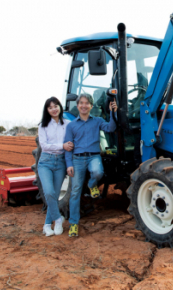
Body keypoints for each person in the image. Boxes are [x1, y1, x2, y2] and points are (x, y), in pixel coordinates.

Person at [64, 93, 117, 237]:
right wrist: (69, 164)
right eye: (81, 103)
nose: (84, 105)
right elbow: (68, 147)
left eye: (87, 103)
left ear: (91, 106)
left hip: (93, 156)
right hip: (77, 158)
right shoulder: (71, 125)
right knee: (75, 192)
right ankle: (74, 224)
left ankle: (92, 184)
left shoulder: (98, 121)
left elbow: (111, 128)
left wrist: (113, 112)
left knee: (98, 172)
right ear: (77, 105)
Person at [37, 96, 74, 236]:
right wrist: (62, 146)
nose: (54, 109)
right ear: (47, 110)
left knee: (56, 195)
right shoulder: (43, 126)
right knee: (49, 193)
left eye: (56, 106)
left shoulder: (68, 124)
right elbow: (44, 146)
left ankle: (47, 225)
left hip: (60, 162)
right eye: (50, 107)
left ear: (60, 107)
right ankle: (58, 219)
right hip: (45, 162)